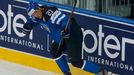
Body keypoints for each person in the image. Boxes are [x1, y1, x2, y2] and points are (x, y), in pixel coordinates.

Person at [22, 2, 107, 75]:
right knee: (54, 50)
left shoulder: (50, 13)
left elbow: (65, 21)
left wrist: (65, 29)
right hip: (61, 37)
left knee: (76, 62)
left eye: (35, 12)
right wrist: (28, 26)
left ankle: (101, 71)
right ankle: (67, 73)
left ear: (40, 8)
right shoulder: (35, 16)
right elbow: (32, 21)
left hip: (72, 34)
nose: (35, 15)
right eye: (32, 14)